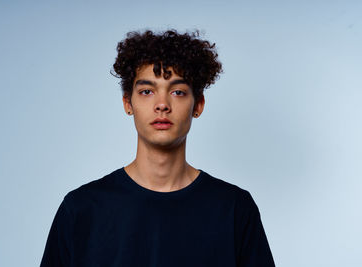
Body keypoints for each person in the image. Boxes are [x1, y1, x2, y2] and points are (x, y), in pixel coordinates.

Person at [40, 29, 275, 267]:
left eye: (177, 92)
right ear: (127, 103)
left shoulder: (234, 208)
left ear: (199, 104)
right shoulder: (81, 209)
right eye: (147, 91)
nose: (162, 104)